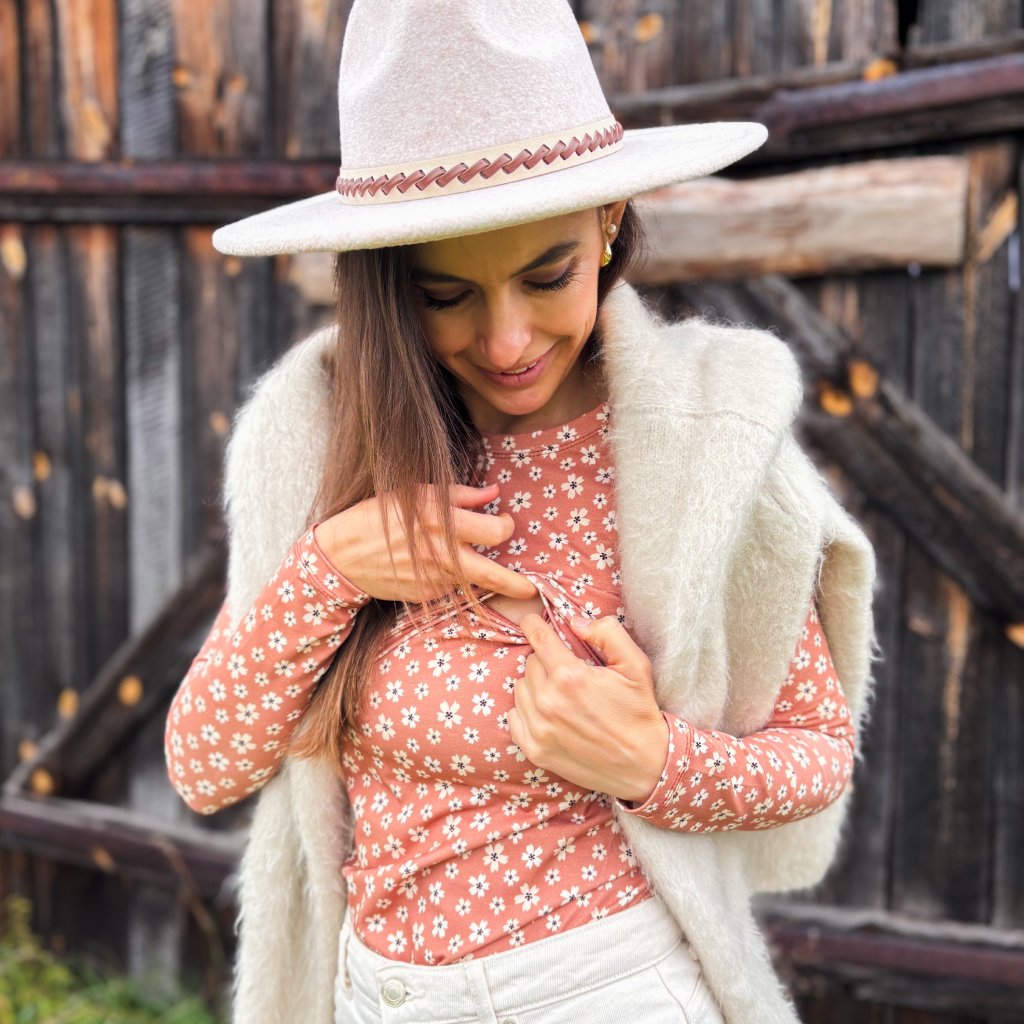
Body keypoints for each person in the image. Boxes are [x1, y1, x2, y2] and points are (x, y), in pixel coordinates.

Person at [164, 3, 879, 1023]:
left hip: (607, 994)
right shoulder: (323, 443)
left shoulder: (706, 441)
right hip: (375, 998)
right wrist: (332, 569)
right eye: (445, 295)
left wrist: (654, 761)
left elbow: (815, 752)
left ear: (608, 223)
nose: (506, 342)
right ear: (386, 282)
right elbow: (203, 766)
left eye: (547, 276)